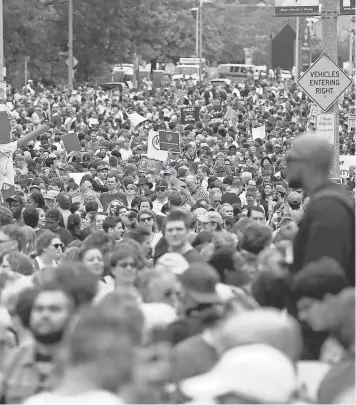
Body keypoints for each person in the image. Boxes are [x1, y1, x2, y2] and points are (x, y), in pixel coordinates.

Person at [286, 133, 355, 286]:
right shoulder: (328, 200)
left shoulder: (327, 208)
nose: (286, 167)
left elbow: (324, 278)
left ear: (307, 164)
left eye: (290, 160)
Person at [0, 282, 76, 403]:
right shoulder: (12, 362)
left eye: (54, 309)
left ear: (70, 316)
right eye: (39, 309)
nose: (45, 315)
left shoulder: (82, 364)